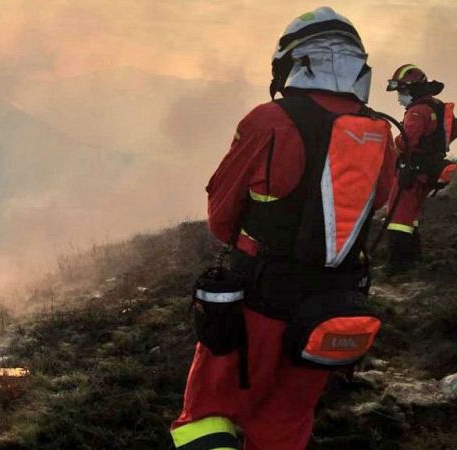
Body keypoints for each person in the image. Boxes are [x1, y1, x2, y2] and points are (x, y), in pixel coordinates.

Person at [169, 7, 396, 450]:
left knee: (207, 417)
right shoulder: (378, 133)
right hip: (329, 309)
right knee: (286, 424)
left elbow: (221, 218)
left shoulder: (270, 121)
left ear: (293, 62)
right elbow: (379, 202)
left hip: (259, 302)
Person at [384, 64, 456, 273]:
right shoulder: (438, 107)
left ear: (413, 90)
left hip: (412, 171)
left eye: (402, 91)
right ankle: (413, 257)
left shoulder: (417, 112)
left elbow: (406, 142)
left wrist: (390, 143)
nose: (399, 97)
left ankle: (398, 264)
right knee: (410, 218)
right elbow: (451, 132)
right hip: (427, 170)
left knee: (398, 217)